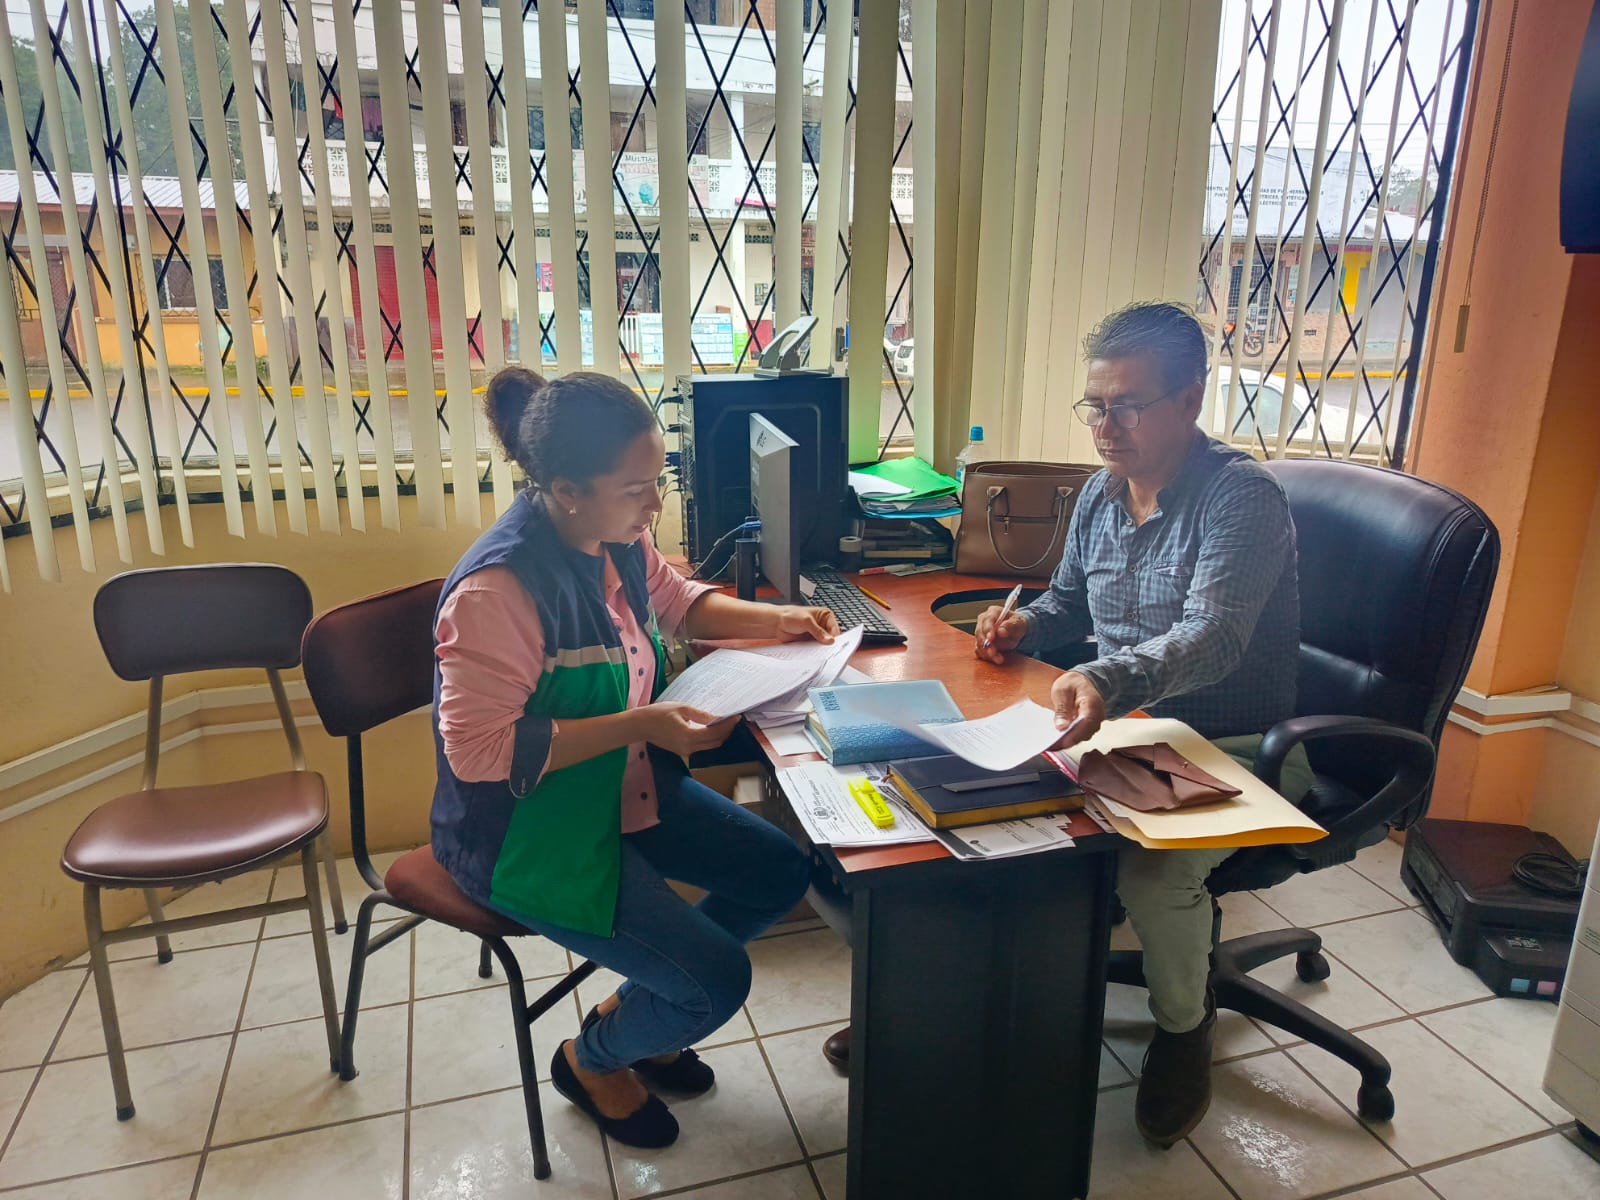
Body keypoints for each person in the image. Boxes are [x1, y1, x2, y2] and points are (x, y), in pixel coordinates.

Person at [430, 367, 836, 1150]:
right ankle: (590, 1060)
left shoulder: (615, 537)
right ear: (567, 491)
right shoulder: (497, 592)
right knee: (717, 980)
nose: (655, 505)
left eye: (659, 481)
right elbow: (480, 754)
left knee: (781, 874)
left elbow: (678, 602)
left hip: (618, 787)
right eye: (636, 489)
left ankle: (643, 1009)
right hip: (526, 832)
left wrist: (782, 619)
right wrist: (640, 723)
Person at [974, 301, 1312, 1146]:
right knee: (985, 814)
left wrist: (1106, 676)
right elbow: (1068, 602)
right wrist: (1022, 625)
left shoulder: (1241, 498)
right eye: (1095, 405)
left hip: (1235, 747)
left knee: (1156, 876)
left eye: (1128, 405)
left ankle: (1184, 1029)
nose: (1105, 426)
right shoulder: (1099, 493)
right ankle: (952, 1006)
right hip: (1124, 730)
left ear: (1190, 400)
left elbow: (1215, 635)